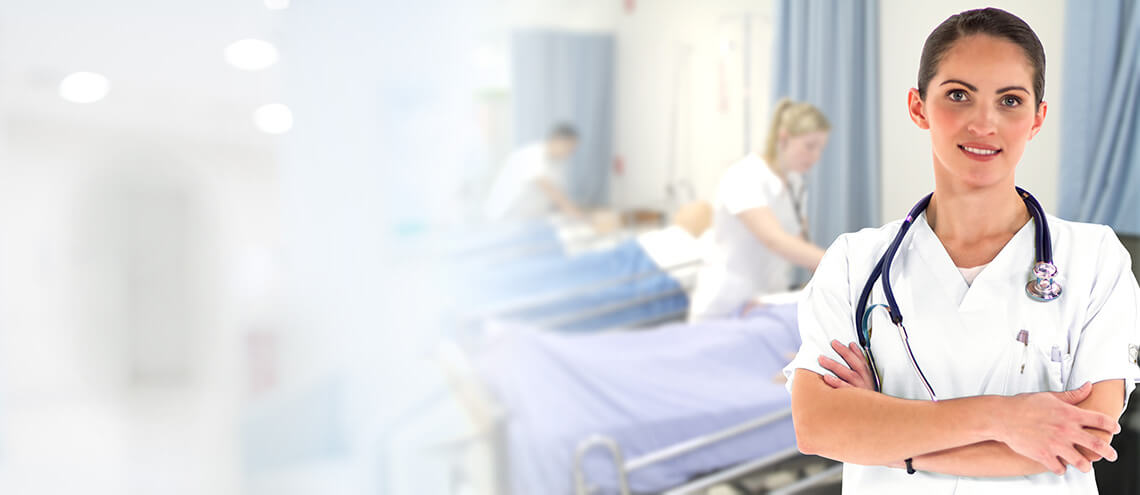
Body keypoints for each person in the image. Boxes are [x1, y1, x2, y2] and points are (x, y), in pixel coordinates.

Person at [783, 8, 1140, 493]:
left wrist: (886, 436)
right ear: (918, 107)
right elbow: (819, 426)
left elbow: (1082, 442)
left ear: (1038, 118)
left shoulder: (1097, 259)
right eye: (958, 95)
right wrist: (1005, 418)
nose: (983, 123)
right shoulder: (853, 262)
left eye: (1010, 100)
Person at [688, 100, 831, 321]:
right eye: (809, 146)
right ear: (783, 139)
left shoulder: (796, 184)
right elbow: (775, 240)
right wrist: (838, 263)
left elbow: (799, 244)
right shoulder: (744, 176)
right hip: (725, 304)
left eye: (820, 148)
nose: (816, 156)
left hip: (766, 304)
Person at [484, 123, 584, 221]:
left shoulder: (558, 163)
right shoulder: (531, 154)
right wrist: (578, 215)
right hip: (505, 217)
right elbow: (550, 189)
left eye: (573, 149)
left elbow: (558, 196)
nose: (570, 153)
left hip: (529, 219)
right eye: (569, 147)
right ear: (555, 140)